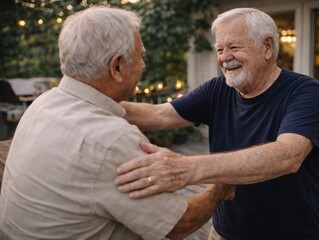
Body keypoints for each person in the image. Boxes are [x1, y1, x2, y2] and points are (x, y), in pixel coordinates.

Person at [0, 6, 234, 240]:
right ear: (117, 66)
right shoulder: (112, 140)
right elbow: (180, 224)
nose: (143, 64)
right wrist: (221, 185)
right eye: (140, 56)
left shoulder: (43, 104)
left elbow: (155, 114)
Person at [115, 8, 319, 240]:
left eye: (234, 47)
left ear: (267, 47)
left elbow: (288, 155)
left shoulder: (304, 91)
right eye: (219, 49)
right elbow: (158, 114)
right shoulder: (218, 89)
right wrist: (91, 99)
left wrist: (188, 168)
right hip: (224, 232)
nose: (224, 57)